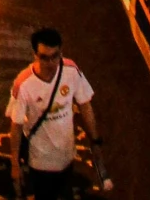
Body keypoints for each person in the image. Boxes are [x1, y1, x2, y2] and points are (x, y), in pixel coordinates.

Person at [7, 27, 110, 199]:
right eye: (44, 58)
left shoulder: (71, 71)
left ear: (61, 52)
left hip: (67, 156)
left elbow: (85, 106)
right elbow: (16, 126)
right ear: (35, 55)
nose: (51, 63)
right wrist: (15, 164)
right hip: (40, 162)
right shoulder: (24, 84)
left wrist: (95, 140)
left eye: (55, 56)